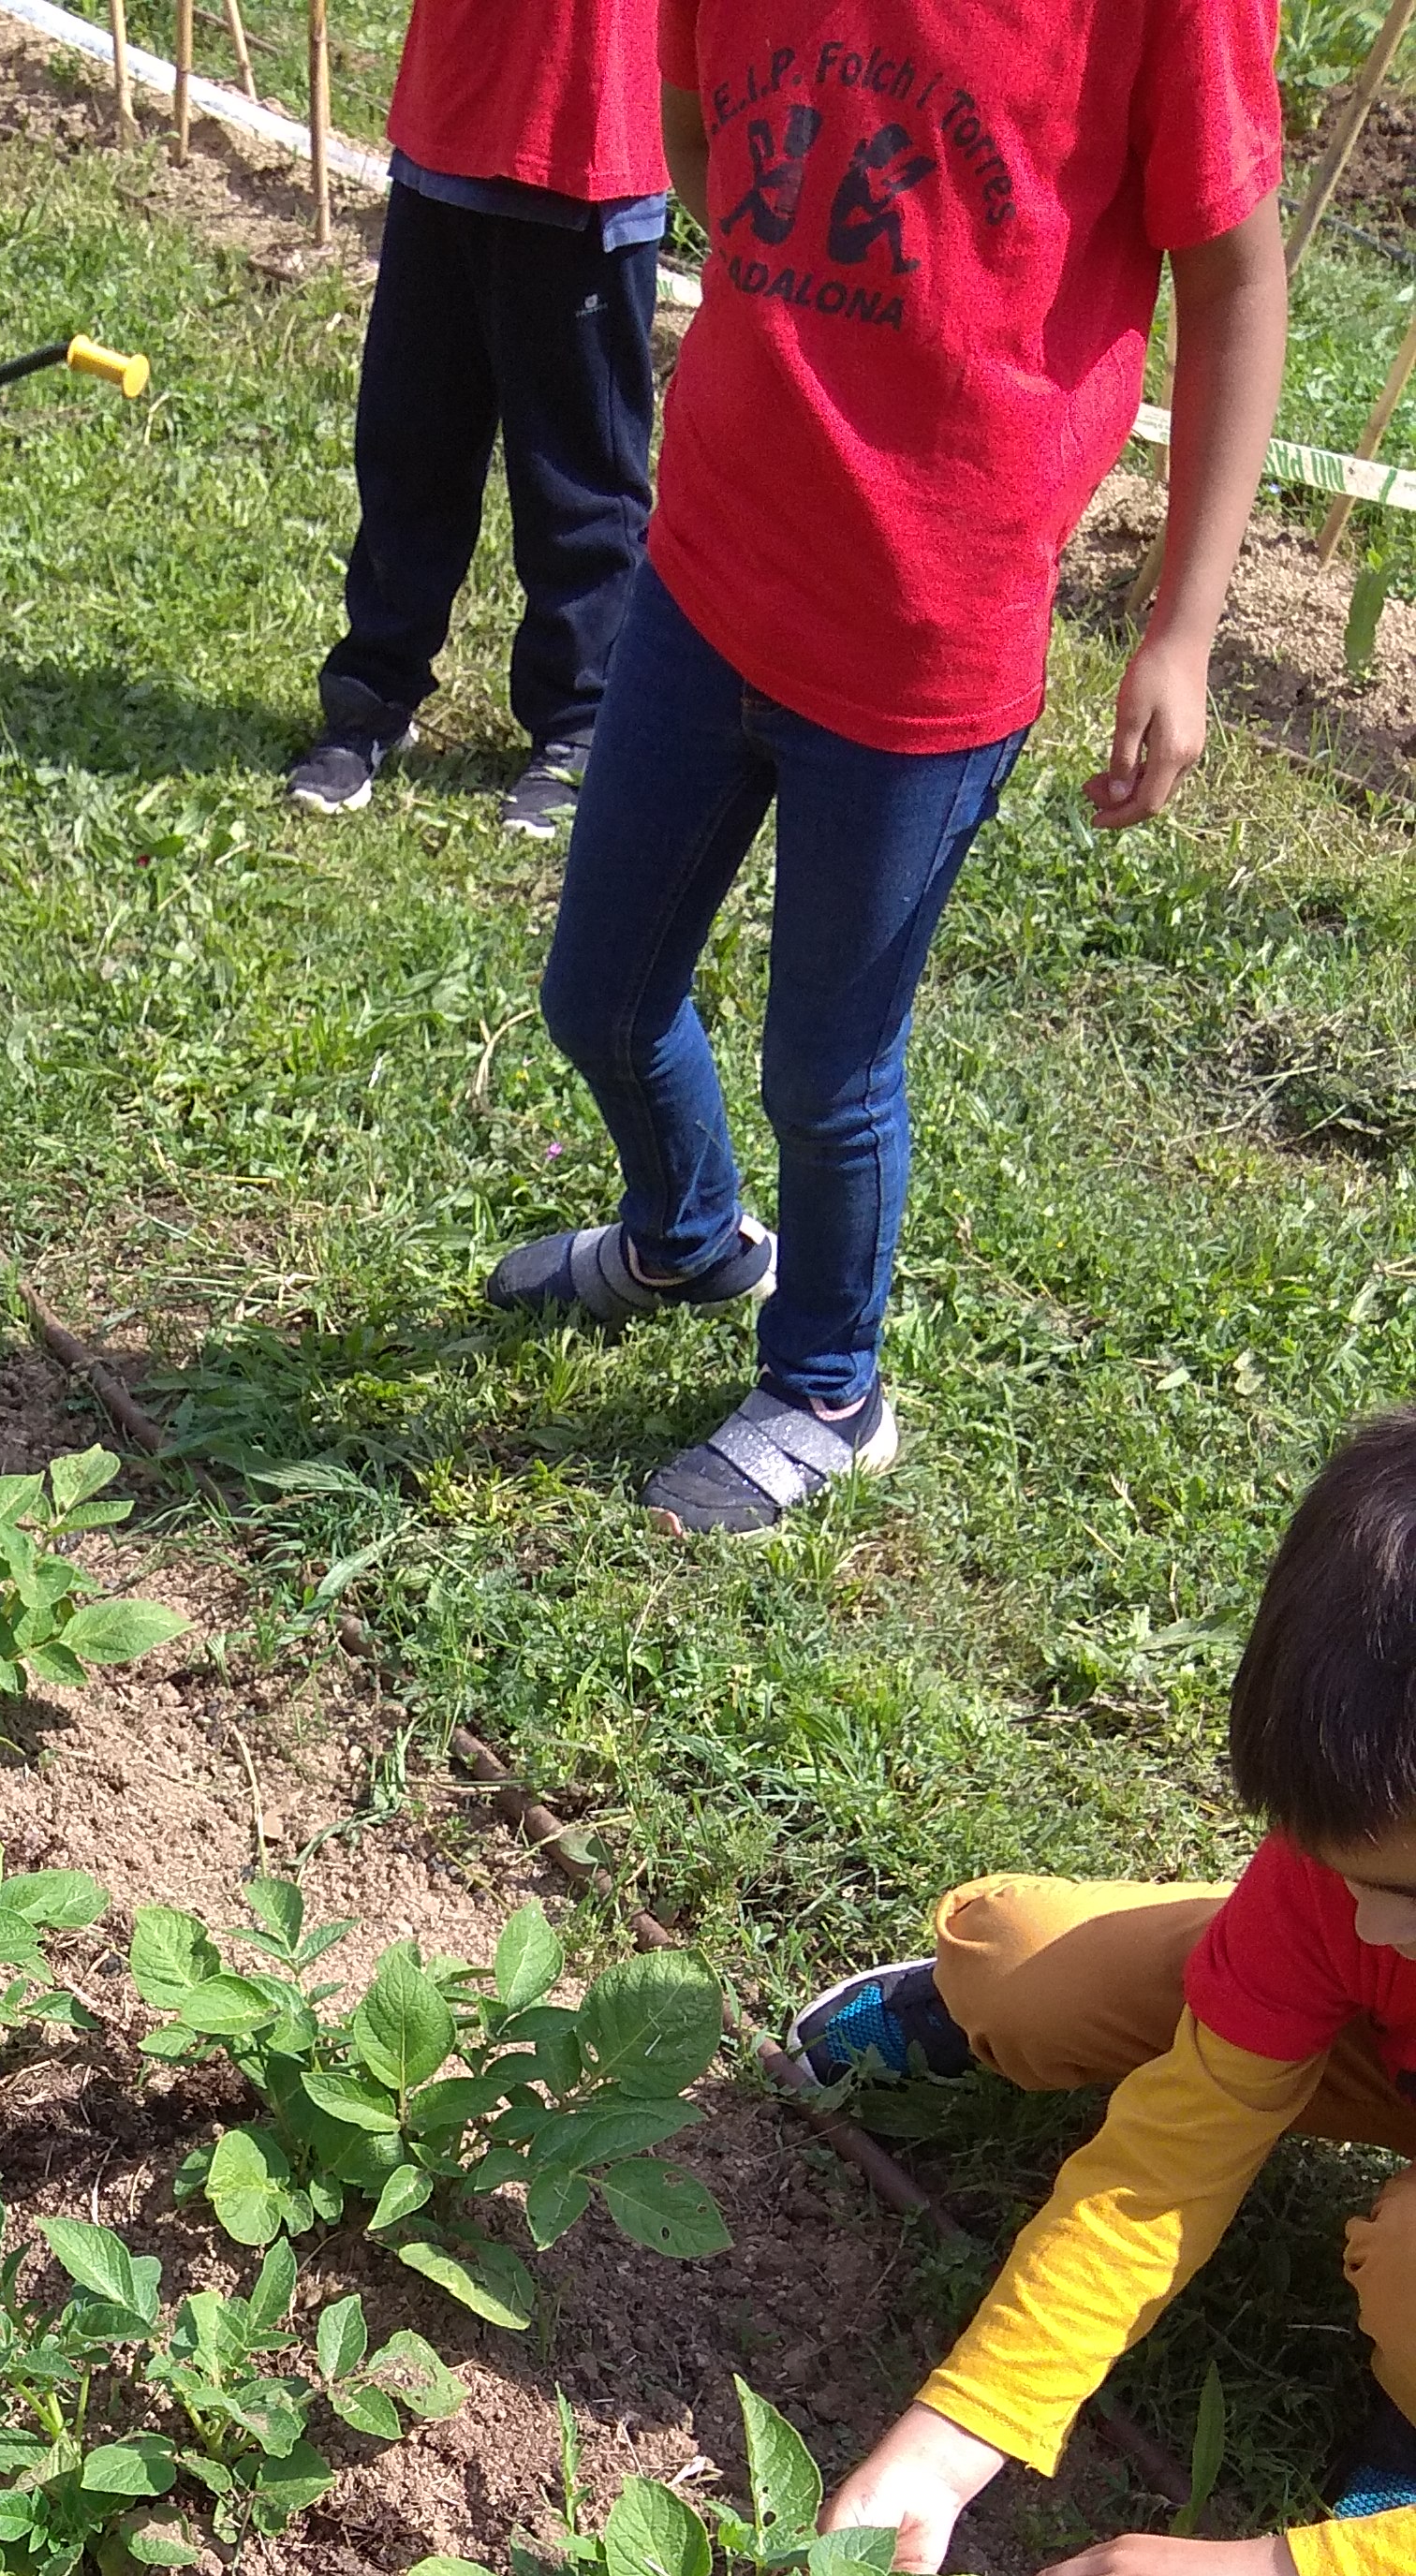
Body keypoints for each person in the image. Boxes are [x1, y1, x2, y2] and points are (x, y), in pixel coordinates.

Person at [485, 0, 1287, 1535]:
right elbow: (699, 118)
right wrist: (823, 300)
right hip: (708, 566)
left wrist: (1182, 632)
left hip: (929, 640)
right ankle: (689, 1236)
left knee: (827, 1069)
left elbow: (1239, 281)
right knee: (599, 996)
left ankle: (828, 1389)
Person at [800, 1407, 1416, 2576]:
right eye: (1343, 1873)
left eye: (1405, 1894)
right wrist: (959, 2430)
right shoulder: (1345, 1890)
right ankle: (977, 2014)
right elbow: (1165, 2168)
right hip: (1382, 2041)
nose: (1366, 1918)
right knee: (1018, 1968)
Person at [286, 0, 666, 837]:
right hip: (448, 126)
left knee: (580, 479)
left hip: (591, 150)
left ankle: (580, 724)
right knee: (410, 446)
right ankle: (371, 696)